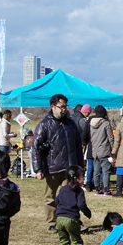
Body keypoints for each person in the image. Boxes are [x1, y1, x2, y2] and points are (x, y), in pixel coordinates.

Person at [33, 94, 83, 233]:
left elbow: (78, 146)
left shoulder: (71, 124)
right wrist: (38, 169)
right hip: (52, 167)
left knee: (72, 195)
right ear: (53, 106)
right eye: (61, 107)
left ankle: (73, 221)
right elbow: (36, 148)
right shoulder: (44, 125)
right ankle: (52, 222)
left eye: (65, 107)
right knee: (50, 197)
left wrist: (79, 167)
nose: (63, 110)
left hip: (70, 167)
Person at [55, 166, 92, 245]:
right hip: (72, 219)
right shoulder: (79, 191)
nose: (83, 179)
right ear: (76, 178)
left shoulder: (62, 189)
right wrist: (88, 213)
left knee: (64, 241)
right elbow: (81, 204)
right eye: (82, 177)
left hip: (60, 218)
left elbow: (56, 200)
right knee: (76, 240)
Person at [88, 105, 115, 195]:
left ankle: (97, 189)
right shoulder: (106, 123)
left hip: (95, 150)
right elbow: (110, 137)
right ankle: (106, 189)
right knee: (106, 171)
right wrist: (113, 149)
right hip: (104, 150)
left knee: (96, 171)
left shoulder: (91, 123)